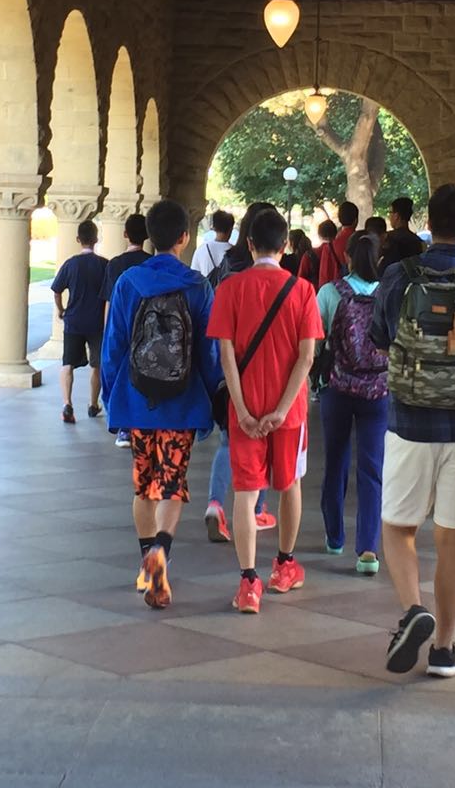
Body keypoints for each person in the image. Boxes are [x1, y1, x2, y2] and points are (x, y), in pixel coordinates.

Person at [371, 183, 455, 678]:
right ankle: (445, 649)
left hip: (407, 424)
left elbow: (380, 337)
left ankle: (412, 609)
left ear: (429, 223)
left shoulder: (398, 276)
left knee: (397, 527)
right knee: (453, 540)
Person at [102, 199, 222, 609]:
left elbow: (114, 346)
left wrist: (112, 398)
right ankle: (161, 551)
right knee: (172, 481)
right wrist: (212, 395)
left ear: (150, 237)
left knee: (144, 483)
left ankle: (145, 558)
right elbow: (208, 352)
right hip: (182, 403)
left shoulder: (128, 283)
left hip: (137, 400)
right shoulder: (198, 286)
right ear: (184, 237)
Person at [208, 208, 323, 613]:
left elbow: (225, 356)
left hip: (246, 410)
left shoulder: (230, 288)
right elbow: (306, 358)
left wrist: (241, 409)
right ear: (285, 245)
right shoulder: (302, 291)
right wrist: (283, 408)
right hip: (289, 412)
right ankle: (285, 566)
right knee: (290, 484)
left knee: (245, 491)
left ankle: (248, 583)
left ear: (250, 244)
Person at [204, 201, 279, 540]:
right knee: (263, 440)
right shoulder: (277, 276)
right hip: (266, 369)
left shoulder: (227, 265)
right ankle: (257, 509)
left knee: (227, 441)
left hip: (229, 365)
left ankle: (215, 504)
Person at [316, 231, 388, 575]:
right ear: (380, 259)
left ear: (346, 258)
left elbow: (316, 341)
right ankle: (368, 550)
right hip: (379, 391)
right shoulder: (390, 293)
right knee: (372, 469)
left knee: (336, 461)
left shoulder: (330, 293)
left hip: (337, 388)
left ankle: (335, 536)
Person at [102, 213, 151, 449]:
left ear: (125, 234)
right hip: (148, 329)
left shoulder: (115, 265)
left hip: (122, 327)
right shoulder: (151, 263)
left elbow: (109, 302)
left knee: (121, 375)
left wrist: (107, 330)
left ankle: (124, 427)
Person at [51, 219, 108, 424]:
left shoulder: (71, 264)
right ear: (96, 239)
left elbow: (56, 290)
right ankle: (93, 404)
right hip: (96, 322)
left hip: (73, 321)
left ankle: (67, 403)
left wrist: (61, 310)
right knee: (97, 365)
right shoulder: (104, 265)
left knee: (68, 363)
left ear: (78, 239)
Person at [318, 200, 359, 288]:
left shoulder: (330, 246)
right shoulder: (362, 241)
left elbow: (324, 278)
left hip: (336, 291)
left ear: (340, 220)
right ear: (356, 220)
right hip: (360, 291)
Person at [379, 196, 425, 272]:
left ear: (396, 216)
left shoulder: (387, 239)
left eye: (390, 212)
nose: (389, 216)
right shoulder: (418, 241)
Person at [191, 209, 235, 279]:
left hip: (206, 285)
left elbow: (193, 276)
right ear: (231, 229)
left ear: (214, 228)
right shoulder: (236, 252)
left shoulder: (202, 249)